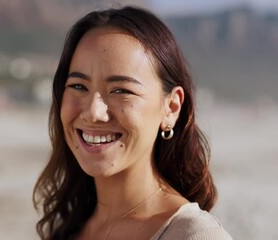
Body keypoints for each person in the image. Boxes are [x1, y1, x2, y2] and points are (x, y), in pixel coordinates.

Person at [33, 6, 232, 240]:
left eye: (120, 90)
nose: (93, 112)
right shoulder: (65, 227)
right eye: (78, 86)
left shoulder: (195, 235)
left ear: (171, 108)